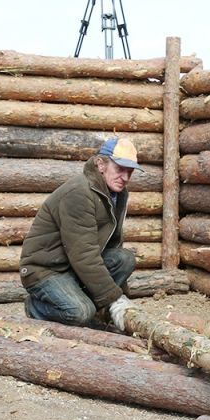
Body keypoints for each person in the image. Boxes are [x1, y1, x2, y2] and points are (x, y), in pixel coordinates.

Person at [19, 136, 142, 331]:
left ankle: (96, 308)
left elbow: (111, 245)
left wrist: (119, 297)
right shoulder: (79, 193)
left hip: (73, 266)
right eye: (120, 169)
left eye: (130, 171)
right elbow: (83, 254)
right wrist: (115, 299)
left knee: (124, 258)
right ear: (100, 164)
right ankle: (36, 307)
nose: (125, 177)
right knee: (80, 312)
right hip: (46, 270)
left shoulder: (118, 194)